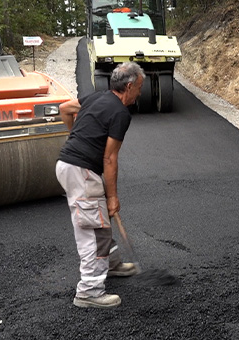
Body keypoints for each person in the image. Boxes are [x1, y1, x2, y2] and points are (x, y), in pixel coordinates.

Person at [56, 62, 144, 308]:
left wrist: (76, 136)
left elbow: (65, 108)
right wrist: (113, 197)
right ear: (129, 86)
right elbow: (109, 158)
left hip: (68, 165)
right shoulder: (120, 113)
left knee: (98, 217)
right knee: (93, 230)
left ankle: (112, 265)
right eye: (139, 86)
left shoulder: (97, 98)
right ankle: (89, 292)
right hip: (80, 170)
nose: (140, 92)